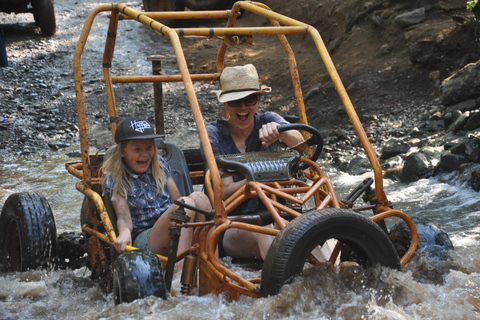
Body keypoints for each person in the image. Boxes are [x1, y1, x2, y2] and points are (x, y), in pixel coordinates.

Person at [206, 64, 306, 260]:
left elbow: (302, 145)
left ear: (259, 99)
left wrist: (281, 132)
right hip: (235, 224)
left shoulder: (269, 120)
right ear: (225, 104)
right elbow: (223, 192)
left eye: (250, 99)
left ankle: (331, 278)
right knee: (267, 234)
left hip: (281, 215)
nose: (243, 107)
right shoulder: (215, 133)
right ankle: (287, 287)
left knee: (310, 231)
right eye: (235, 101)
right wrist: (260, 178)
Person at [101, 116, 211, 256]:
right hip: (146, 237)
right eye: (137, 149)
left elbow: (177, 199)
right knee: (184, 206)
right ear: (122, 152)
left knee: (200, 198)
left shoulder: (160, 166)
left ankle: (211, 261)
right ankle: (180, 269)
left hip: (175, 225)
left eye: (149, 148)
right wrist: (124, 233)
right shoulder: (117, 178)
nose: (145, 154)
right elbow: (123, 218)